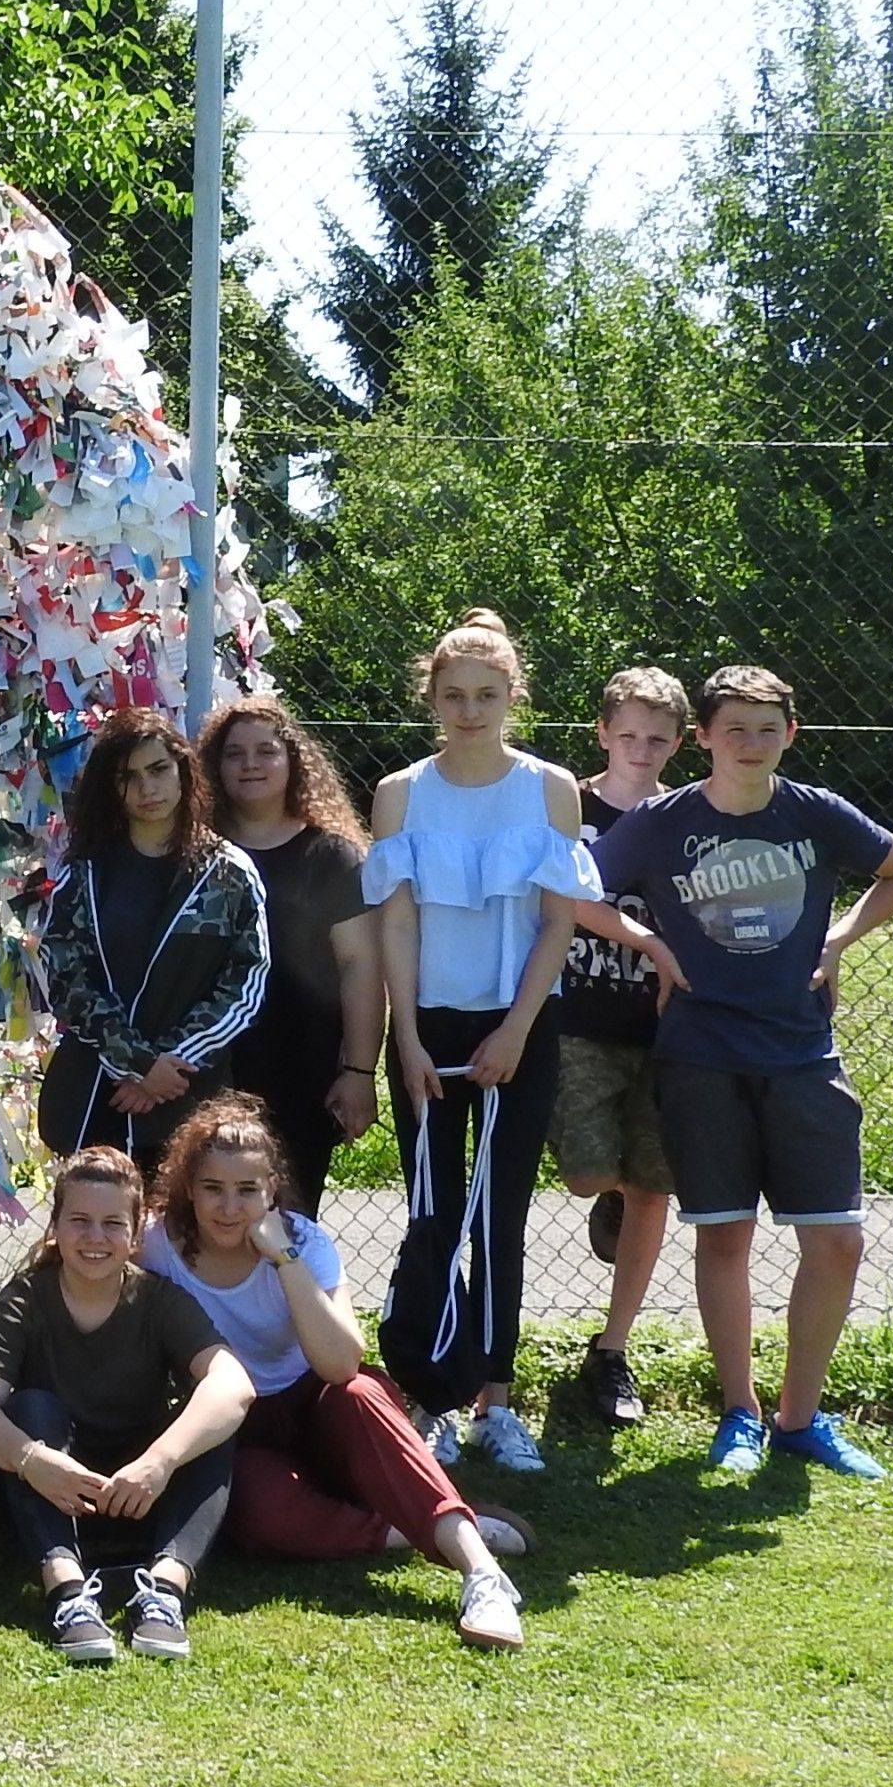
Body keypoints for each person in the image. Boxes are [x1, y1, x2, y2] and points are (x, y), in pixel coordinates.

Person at [577, 665, 893, 1479]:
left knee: (837, 1243)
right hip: (700, 1058)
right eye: (733, 728)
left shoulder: (814, 812)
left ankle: (801, 1418)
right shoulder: (664, 822)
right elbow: (573, 893)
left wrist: (840, 939)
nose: (751, 743)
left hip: (803, 1054)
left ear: (790, 736)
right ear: (701, 737)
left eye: (768, 729)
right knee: (725, 1236)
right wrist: (652, 945)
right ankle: (739, 1412)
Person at [142, 1099, 530, 1650]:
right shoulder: (156, 1243)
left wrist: (283, 1260)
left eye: (247, 1190)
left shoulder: (305, 1242)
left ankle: (482, 1573)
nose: (229, 1208)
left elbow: (340, 1363)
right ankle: (410, 1527)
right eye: (212, 1188)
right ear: (188, 1186)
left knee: (362, 1393)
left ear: (271, 1189)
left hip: (317, 1401)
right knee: (257, 1517)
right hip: (236, 1422)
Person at [361, 610, 600, 1474]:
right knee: (433, 1212)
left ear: (512, 697)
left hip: (516, 1029)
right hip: (428, 1034)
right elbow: (395, 926)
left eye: (487, 696)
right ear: (432, 698)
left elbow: (557, 924)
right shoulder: (400, 793)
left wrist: (515, 1030)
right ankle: (436, 1397)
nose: (470, 711)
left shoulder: (548, 788)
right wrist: (411, 1040)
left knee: (499, 1219)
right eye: (454, 696)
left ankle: (498, 1400)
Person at [0, 1149, 254, 1664]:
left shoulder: (158, 1299)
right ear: (54, 1227)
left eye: (112, 1224)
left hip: (139, 1492)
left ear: (136, 1234)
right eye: (80, 1221)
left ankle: (164, 1590)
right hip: (53, 1497)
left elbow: (235, 1385)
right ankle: (67, 1593)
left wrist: (159, 1462)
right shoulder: (25, 1299)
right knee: (29, 1408)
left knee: (211, 1419)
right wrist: (33, 1461)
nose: (96, 1238)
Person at [32, 707, 270, 1168]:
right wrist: (137, 1064)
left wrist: (172, 1064)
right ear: (112, 789)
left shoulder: (228, 873)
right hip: (95, 1096)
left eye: (159, 770)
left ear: (182, 772)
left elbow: (245, 985)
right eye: (129, 777)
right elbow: (65, 976)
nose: (148, 789)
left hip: (190, 1098)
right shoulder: (85, 873)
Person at [555, 665, 693, 1426]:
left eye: (658, 738)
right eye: (628, 735)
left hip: (666, 1028)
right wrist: (636, 934)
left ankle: (612, 1351)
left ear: (677, 743)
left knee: (653, 1186)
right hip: (576, 1016)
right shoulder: (565, 805)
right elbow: (556, 899)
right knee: (587, 1171)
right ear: (603, 733)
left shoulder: (689, 815)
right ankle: (604, 1197)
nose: (641, 750)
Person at [199, 695, 382, 1216]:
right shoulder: (194, 850)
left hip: (302, 1072)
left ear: (293, 760)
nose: (251, 764)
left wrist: (359, 1072)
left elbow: (360, 967)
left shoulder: (332, 857)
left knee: (287, 1228)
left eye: (266, 751)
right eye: (234, 754)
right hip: (208, 1069)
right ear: (215, 766)